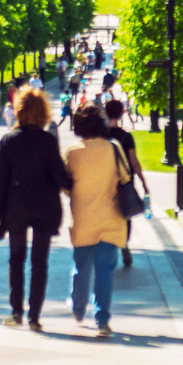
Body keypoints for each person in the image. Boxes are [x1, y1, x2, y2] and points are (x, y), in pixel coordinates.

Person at [0, 87, 69, 330]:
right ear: (44, 112)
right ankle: (34, 316)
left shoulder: (9, 140)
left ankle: (16, 311)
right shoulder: (48, 140)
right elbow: (59, 177)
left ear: (18, 112)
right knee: (40, 262)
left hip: (16, 208)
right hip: (45, 207)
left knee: (16, 259)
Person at [61, 103, 128, 338]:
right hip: (110, 218)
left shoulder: (72, 152)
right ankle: (102, 319)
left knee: (80, 267)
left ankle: (78, 308)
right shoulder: (113, 148)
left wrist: (78, 193)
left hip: (83, 218)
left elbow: (64, 183)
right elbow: (125, 176)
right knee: (105, 271)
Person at [104, 96, 146, 268]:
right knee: (125, 214)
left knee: (106, 213)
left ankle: (108, 245)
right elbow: (134, 162)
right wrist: (144, 182)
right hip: (125, 181)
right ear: (121, 114)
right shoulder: (126, 137)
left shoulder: (101, 135)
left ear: (106, 113)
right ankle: (124, 243)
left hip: (105, 181)